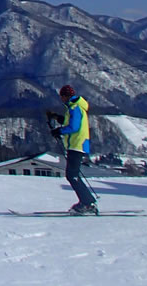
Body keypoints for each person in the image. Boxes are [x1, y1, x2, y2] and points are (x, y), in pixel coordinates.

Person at [48, 84, 96, 215]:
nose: (61, 100)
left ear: (64, 96)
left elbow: (73, 127)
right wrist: (57, 118)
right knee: (73, 174)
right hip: (77, 145)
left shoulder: (75, 108)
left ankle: (87, 203)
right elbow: (70, 123)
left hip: (76, 145)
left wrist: (59, 131)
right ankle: (87, 201)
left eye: (61, 97)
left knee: (72, 175)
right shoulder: (76, 107)